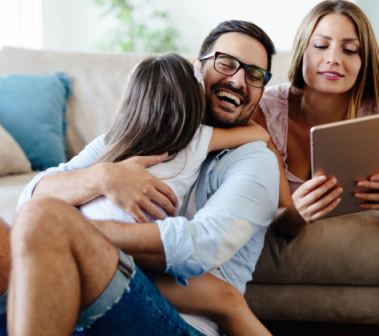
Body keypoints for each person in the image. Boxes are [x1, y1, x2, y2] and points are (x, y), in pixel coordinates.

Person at [0, 20, 279, 336]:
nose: (239, 80)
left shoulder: (253, 160)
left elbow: (203, 247)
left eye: (256, 75)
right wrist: (102, 177)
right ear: (198, 66)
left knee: (47, 220)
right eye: (227, 63)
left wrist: (72, 234)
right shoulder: (132, 137)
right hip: (71, 291)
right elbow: (31, 196)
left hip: (170, 321)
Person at [77, 52, 271, 336]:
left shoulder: (115, 144)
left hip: (83, 252)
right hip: (130, 261)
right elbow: (261, 135)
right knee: (219, 297)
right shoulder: (194, 140)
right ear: (194, 104)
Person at [252, 0, 379, 237]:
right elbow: (282, 224)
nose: (333, 58)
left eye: (349, 50)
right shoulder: (265, 111)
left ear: (363, 61)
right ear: (301, 50)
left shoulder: (377, 116)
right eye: (320, 45)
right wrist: (298, 213)